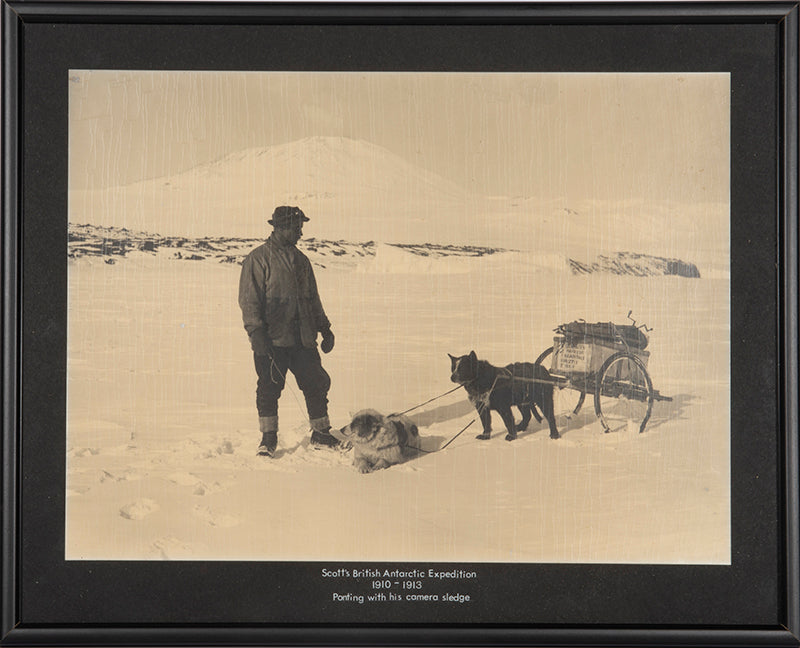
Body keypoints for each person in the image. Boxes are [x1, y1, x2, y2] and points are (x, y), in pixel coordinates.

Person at [238, 206, 340, 457]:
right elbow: (249, 300)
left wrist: (325, 328)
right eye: (297, 228)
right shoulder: (258, 259)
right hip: (272, 340)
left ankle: (321, 433)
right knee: (269, 389)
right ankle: (268, 438)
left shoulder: (302, 261)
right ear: (280, 228)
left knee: (316, 384)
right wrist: (256, 333)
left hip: (303, 339)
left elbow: (313, 299)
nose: (300, 233)